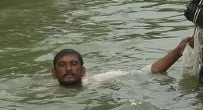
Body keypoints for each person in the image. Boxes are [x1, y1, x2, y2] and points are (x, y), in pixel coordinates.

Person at [52, 36, 194, 88]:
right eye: (62, 65)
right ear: (54, 73)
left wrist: (178, 50)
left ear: (83, 71)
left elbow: (148, 72)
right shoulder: (47, 96)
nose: (68, 69)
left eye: (74, 64)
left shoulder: (99, 81)